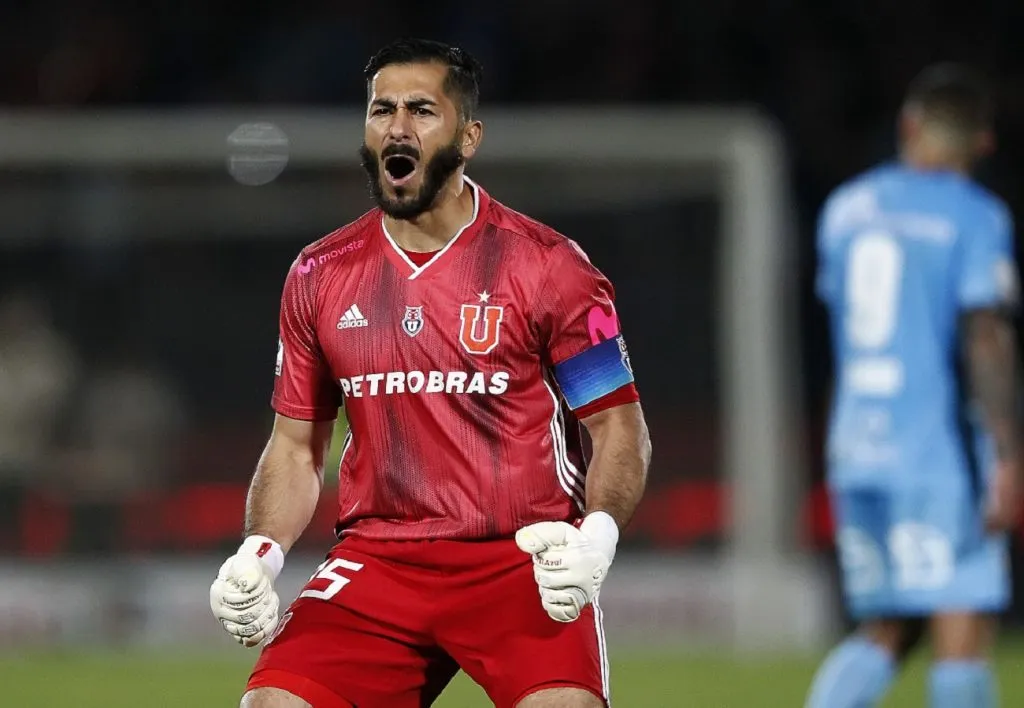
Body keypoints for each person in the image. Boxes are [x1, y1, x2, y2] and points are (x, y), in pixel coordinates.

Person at [209, 38, 651, 708]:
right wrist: (258, 554)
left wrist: (597, 539)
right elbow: (296, 447)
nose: (396, 127)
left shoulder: (549, 267)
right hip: (379, 562)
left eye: (421, 110)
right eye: (381, 109)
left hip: (518, 560)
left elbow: (620, 431)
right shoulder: (320, 275)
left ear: (468, 137)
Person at [806, 63, 1021, 708]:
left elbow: (843, 335)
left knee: (888, 630)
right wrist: (1007, 454)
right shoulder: (976, 215)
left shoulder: (846, 209)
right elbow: (984, 336)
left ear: (908, 126)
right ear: (984, 142)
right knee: (963, 624)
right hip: (936, 453)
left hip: (858, 449)